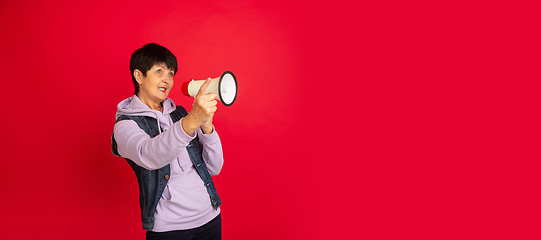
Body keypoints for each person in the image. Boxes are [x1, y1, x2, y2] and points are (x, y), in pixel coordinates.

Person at [111, 43, 224, 240]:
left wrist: (206, 127)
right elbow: (149, 155)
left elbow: (214, 168)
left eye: (171, 73)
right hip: (170, 230)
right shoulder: (125, 125)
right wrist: (190, 122)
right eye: (159, 71)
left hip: (210, 217)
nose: (167, 79)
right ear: (139, 76)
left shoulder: (180, 114)